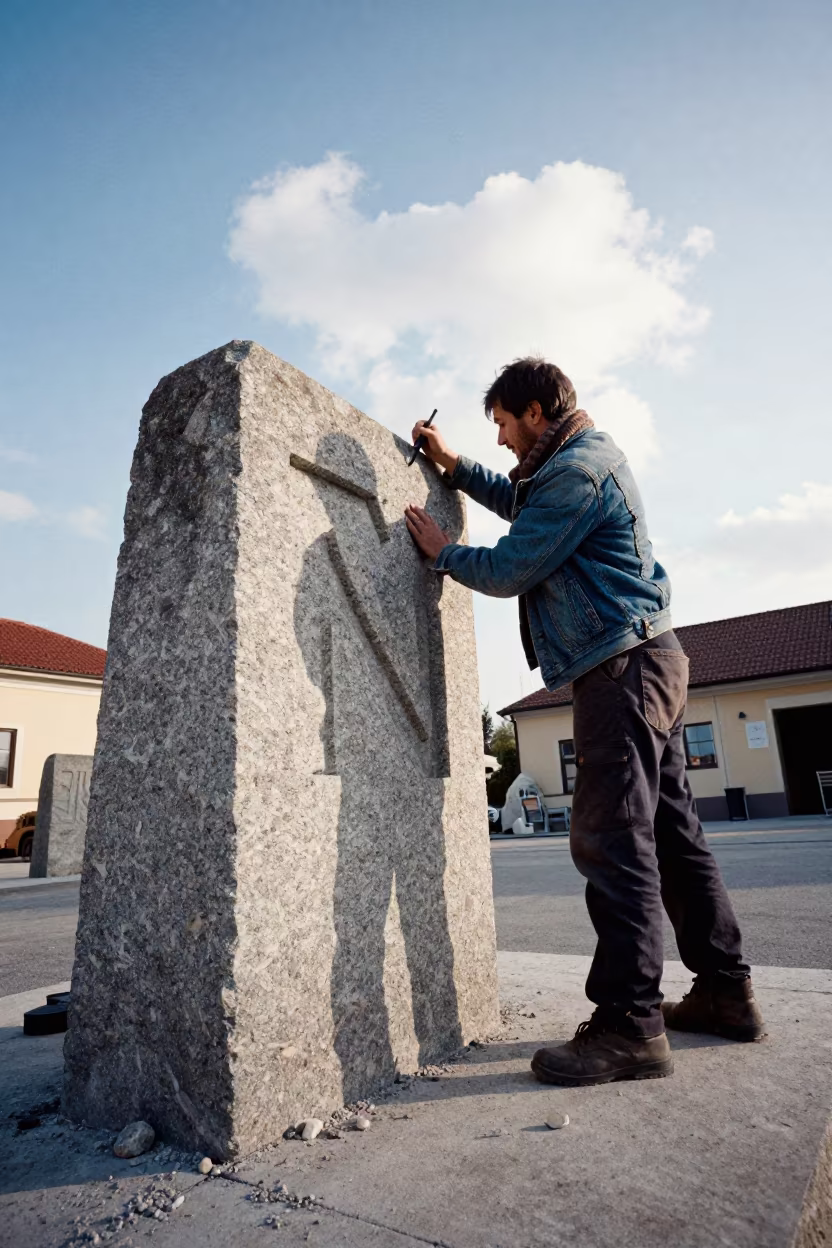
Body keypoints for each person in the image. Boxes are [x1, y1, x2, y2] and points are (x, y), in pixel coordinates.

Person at [404, 357, 764, 1087]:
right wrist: (457, 467)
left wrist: (445, 556)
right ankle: (726, 992)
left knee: (613, 841)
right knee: (671, 834)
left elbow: (511, 566)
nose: (501, 439)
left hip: (621, 671)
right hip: (648, 660)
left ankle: (630, 1026)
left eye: (502, 423)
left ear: (535, 412)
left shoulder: (574, 472)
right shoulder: (575, 462)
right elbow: (520, 501)